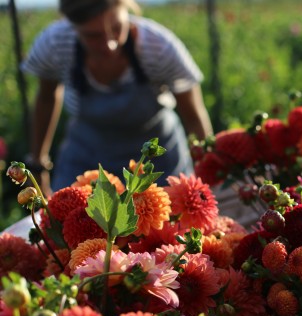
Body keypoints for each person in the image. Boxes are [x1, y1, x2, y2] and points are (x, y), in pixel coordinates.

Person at [21, 0, 212, 194]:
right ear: (72, 26)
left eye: (117, 28)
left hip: (155, 157)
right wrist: (37, 163)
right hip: (87, 154)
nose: (109, 44)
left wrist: (208, 174)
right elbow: (46, 99)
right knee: (69, 219)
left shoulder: (158, 48)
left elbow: (194, 117)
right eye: (93, 36)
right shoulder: (55, 44)